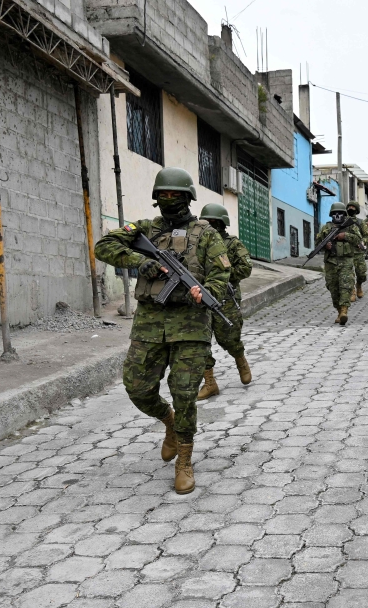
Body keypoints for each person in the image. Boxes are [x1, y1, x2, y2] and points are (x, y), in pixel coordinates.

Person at [94, 168, 230, 494]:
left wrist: (205, 290)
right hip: (149, 324)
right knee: (137, 387)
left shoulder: (207, 234)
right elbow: (104, 245)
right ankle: (167, 421)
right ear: (156, 198)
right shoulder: (144, 229)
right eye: (164, 195)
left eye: (176, 195)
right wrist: (138, 261)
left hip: (192, 327)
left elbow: (220, 275)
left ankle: (184, 459)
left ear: (188, 198)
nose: (170, 200)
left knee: (185, 393)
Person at [197, 203, 253, 401]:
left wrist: (224, 276)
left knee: (228, 336)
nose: (211, 226)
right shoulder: (196, 242)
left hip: (225, 299)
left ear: (222, 224)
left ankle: (240, 359)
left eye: (215, 222)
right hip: (199, 297)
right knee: (199, 340)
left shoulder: (232, 244)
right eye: (207, 222)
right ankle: (210, 383)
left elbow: (246, 268)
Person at [316, 202, 361, 325]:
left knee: (346, 287)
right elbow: (317, 244)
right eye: (335, 213)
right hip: (331, 263)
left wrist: (345, 235)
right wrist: (326, 245)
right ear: (331, 215)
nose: (337, 215)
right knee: (333, 288)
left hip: (346, 261)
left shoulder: (351, 226)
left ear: (344, 214)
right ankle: (338, 310)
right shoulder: (326, 228)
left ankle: (344, 312)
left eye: (340, 213)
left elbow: (358, 239)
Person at [346, 200, 368, 302]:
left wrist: (363, 242)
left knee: (361, 274)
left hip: (358, 252)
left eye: (353, 207)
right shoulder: (344, 221)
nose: (350, 208)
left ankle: (359, 285)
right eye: (349, 207)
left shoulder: (360, 222)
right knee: (349, 275)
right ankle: (352, 291)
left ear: (356, 210)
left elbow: (366, 235)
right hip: (347, 252)